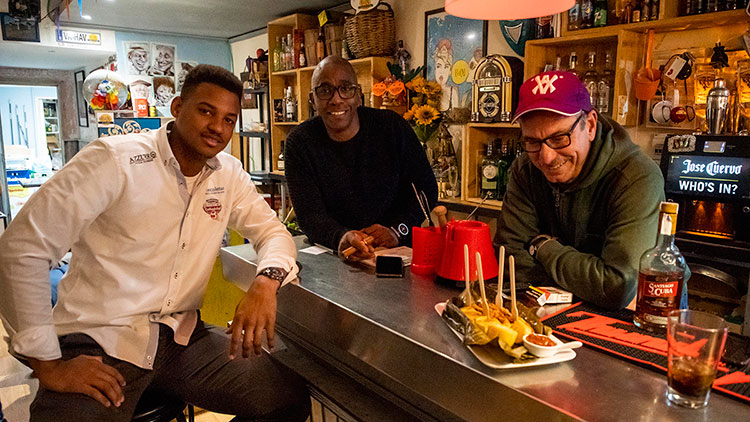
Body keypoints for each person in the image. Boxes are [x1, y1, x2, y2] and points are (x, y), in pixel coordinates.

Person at [0, 65, 310, 421]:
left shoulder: (228, 175)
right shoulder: (114, 160)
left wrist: (266, 282)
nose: (217, 127)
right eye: (206, 111)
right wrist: (48, 365)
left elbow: (273, 233)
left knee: (287, 397)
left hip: (181, 339)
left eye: (229, 119)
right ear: (177, 107)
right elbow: (22, 248)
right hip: (100, 340)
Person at [495, 70, 665, 309]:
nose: (546, 157)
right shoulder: (525, 169)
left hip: (648, 313)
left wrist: (543, 247)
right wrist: (580, 285)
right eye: (532, 141)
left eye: (559, 138)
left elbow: (618, 286)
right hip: (552, 308)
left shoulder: (636, 177)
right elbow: (510, 261)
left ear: (591, 125)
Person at [284, 56, 437, 260]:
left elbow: (426, 189)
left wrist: (397, 230)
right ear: (313, 100)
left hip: (398, 252)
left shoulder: (392, 128)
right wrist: (341, 237)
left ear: (358, 96)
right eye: (325, 90)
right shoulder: (300, 143)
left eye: (346, 88)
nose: (336, 99)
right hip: (334, 255)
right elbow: (309, 215)